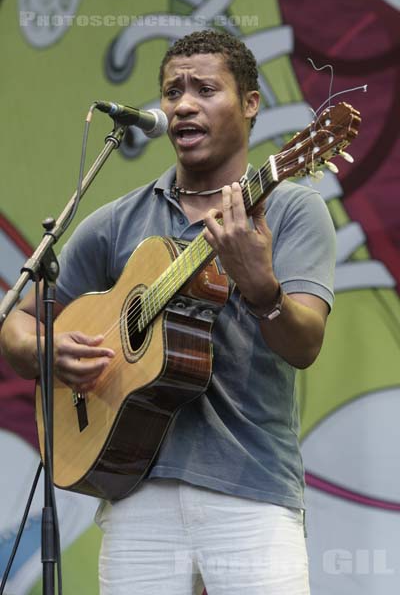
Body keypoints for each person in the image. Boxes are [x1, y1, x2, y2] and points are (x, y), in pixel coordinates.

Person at [0, 30, 336, 594]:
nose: (183, 104)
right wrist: (46, 350)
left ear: (251, 103)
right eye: (172, 91)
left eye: (205, 89)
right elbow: (14, 318)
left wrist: (262, 289)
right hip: (136, 498)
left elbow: (304, 346)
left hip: (251, 492)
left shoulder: (290, 209)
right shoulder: (117, 221)